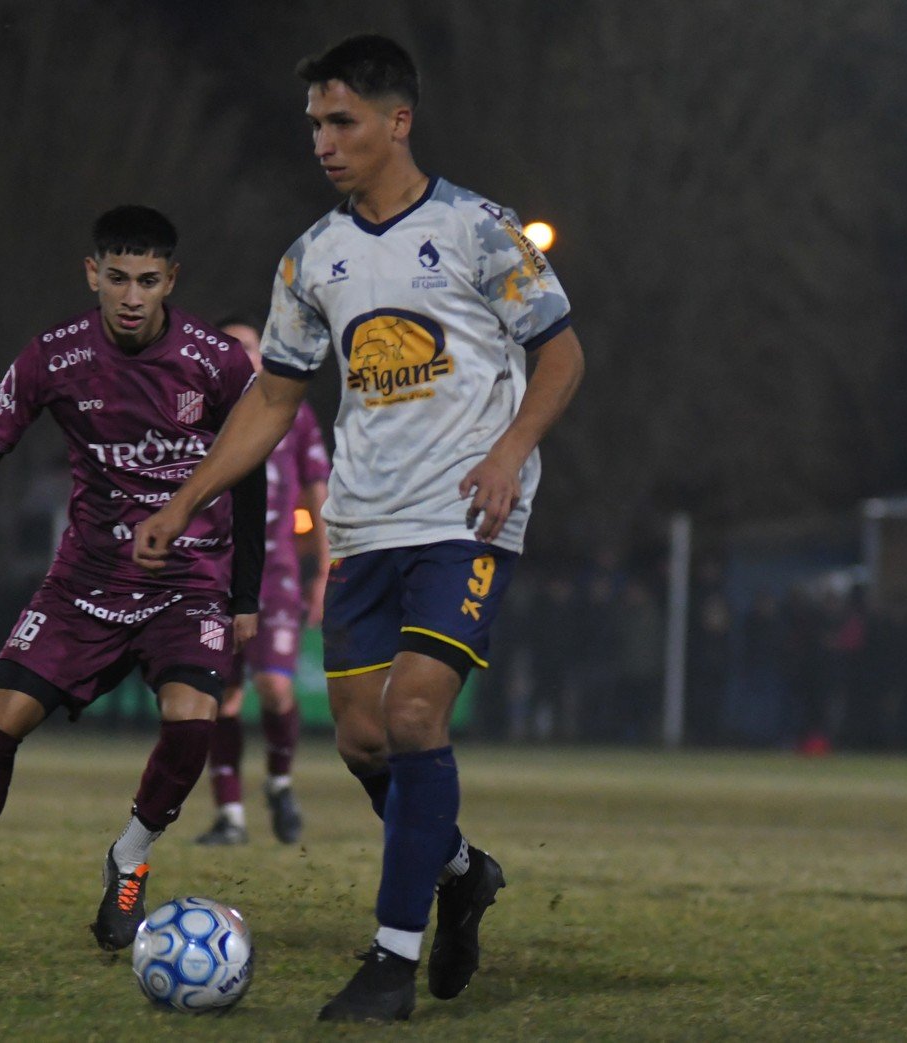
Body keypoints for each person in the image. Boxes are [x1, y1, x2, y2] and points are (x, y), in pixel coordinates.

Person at [134, 35, 585, 1022]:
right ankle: (460, 871)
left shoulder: (478, 232)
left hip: (463, 518)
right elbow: (271, 398)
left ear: (397, 120)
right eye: (314, 126)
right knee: (362, 737)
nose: (324, 143)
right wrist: (184, 499)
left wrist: (508, 452)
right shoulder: (312, 257)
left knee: (417, 714)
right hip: (364, 523)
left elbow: (559, 356)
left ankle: (390, 959)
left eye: (341, 122)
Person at [0, 205, 265, 953]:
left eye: (147, 279)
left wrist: (244, 594)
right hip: (85, 581)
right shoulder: (53, 358)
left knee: (191, 721)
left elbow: (250, 473)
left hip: (189, 582)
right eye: (117, 278)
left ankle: (130, 856)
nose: (132, 295)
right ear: (92, 275)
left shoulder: (218, 362)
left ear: (171, 279)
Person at [195, 316, 330, 847]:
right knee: (218, 699)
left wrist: (324, 568)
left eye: (247, 346)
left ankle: (279, 782)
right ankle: (230, 818)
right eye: (228, 347)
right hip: (213, 575)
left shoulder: (291, 411)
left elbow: (318, 493)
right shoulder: (201, 414)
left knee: (275, 687)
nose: (239, 354)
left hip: (273, 575)